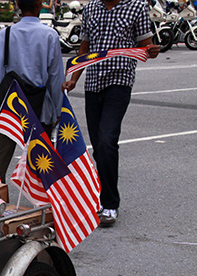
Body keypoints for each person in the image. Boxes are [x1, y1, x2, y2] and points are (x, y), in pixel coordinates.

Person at [63, 0, 160, 227]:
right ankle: (99, 196)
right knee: (98, 145)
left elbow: (147, 46)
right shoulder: (91, 9)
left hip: (120, 81)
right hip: (93, 82)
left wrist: (152, 50)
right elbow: (85, 48)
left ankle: (109, 204)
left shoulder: (136, 7)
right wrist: (74, 78)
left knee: (107, 140)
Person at [0, 0, 64, 183]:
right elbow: (55, 76)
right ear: (39, 6)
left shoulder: (5, 34)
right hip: (39, 105)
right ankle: (43, 203)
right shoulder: (50, 35)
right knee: (43, 161)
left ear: (18, 6)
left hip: (9, 106)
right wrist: (57, 109)